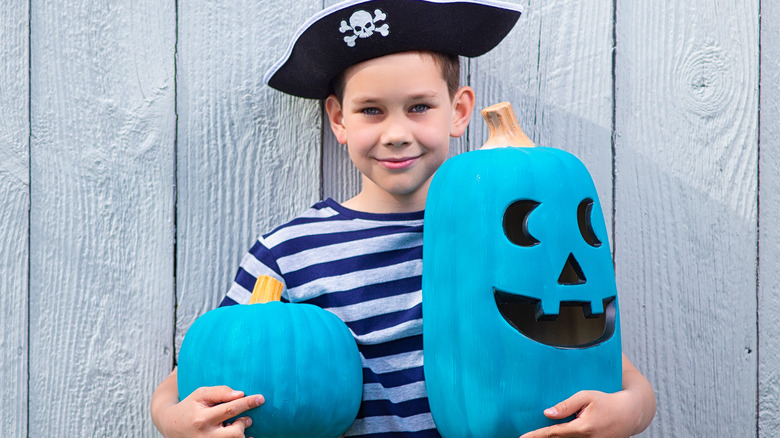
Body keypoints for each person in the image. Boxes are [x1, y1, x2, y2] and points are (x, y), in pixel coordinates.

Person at [151, 1, 656, 437]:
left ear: (459, 112)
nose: (396, 133)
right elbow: (192, 375)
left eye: (418, 107)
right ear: (338, 120)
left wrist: (630, 412)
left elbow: (600, 352)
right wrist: (174, 421)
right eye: (371, 110)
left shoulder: (509, 232)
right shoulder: (293, 249)